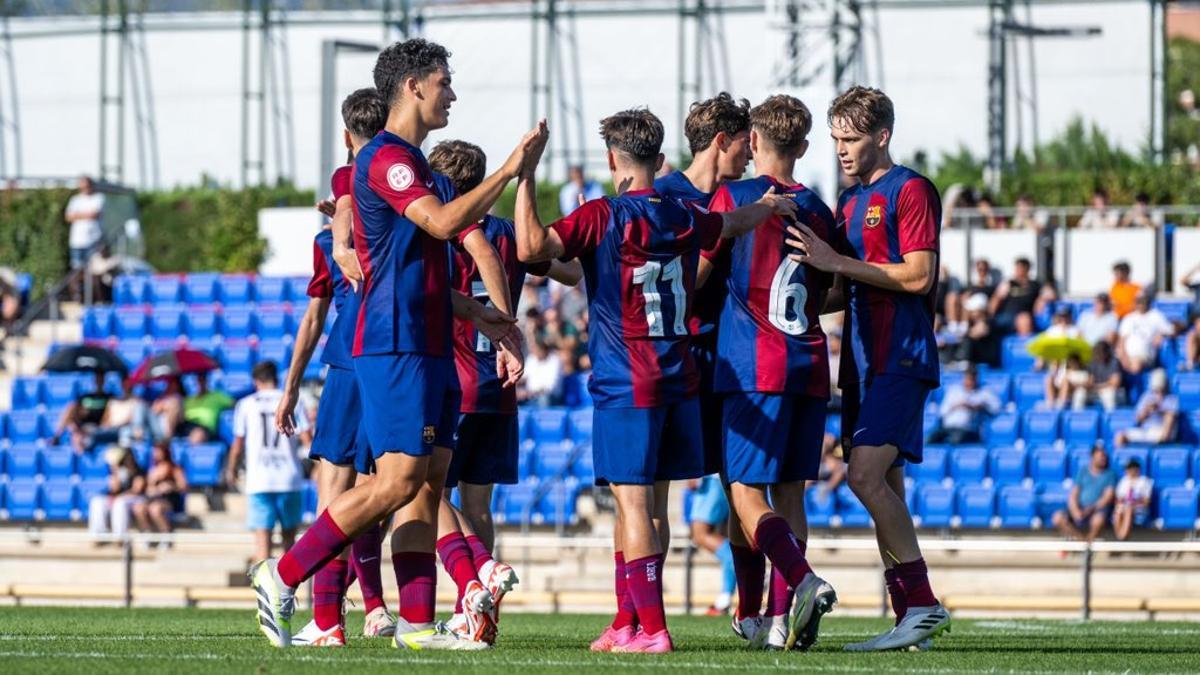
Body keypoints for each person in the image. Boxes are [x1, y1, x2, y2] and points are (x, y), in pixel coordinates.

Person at [250, 38, 534, 651]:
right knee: (397, 481)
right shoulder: (387, 160)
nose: (451, 94)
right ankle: (281, 573)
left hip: (430, 341)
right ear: (412, 87)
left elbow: (425, 271)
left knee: (429, 486)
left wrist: (487, 319)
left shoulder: (422, 167)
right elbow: (443, 224)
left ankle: (413, 624)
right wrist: (509, 172)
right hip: (394, 344)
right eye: (444, 82)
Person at [514, 108, 797, 653]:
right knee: (648, 508)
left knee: (633, 507)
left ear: (612, 160)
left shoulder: (603, 214)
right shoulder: (679, 213)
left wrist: (526, 175)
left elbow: (531, 248)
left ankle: (653, 629)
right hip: (677, 379)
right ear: (659, 158)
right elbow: (728, 225)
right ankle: (628, 621)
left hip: (627, 381)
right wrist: (765, 207)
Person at [784, 85, 949, 651]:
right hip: (858, 362)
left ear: (882, 135)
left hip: (899, 357)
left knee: (863, 477)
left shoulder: (912, 190)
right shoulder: (849, 203)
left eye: (851, 139)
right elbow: (840, 285)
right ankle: (912, 620)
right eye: (834, 140)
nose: (841, 150)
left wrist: (836, 262)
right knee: (887, 485)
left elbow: (918, 276)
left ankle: (923, 604)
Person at [430, 138, 584, 645]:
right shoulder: (510, 236)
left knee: (424, 493)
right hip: (500, 385)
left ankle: (477, 576)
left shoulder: (442, 232)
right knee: (478, 505)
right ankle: (473, 614)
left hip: (453, 379)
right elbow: (570, 271)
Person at [704, 94, 839, 651]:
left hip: (752, 365)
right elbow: (830, 289)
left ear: (753, 141)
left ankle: (803, 581)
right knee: (790, 494)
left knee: (743, 492)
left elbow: (698, 271)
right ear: (804, 147)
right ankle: (778, 620)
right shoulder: (820, 209)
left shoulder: (734, 196)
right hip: (808, 363)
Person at [273, 87, 397, 648]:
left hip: (352, 354)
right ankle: (375, 607)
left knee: (337, 493)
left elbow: (312, 319)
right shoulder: (408, 179)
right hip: (401, 355)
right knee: (382, 489)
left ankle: (327, 620)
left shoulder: (348, 188)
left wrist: (291, 388)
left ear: (347, 137)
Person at [655, 92, 752, 489]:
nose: (751, 154)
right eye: (746, 142)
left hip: (733, 357)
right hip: (680, 353)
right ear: (722, 140)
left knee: (742, 485)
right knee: (650, 491)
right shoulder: (662, 197)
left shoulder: (748, 198)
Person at [227, 362, 311, 564]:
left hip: (259, 479)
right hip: (289, 477)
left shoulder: (246, 404)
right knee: (290, 544)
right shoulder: (293, 401)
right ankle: (288, 592)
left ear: (256, 381)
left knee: (262, 547)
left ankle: (266, 593)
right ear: (276, 378)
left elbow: (238, 444)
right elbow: (308, 440)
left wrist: (231, 469)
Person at [686, 475, 736, 616]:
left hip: (712, 479)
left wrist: (696, 472)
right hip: (719, 477)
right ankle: (726, 597)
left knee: (700, 533)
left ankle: (726, 596)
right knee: (728, 534)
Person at [1052, 445, 1115, 543]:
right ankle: (1082, 542)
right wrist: (1075, 510)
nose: (1103, 458)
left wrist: (1090, 509)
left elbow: (1107, 497)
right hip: (1080, 507)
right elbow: (1074, 494)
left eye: (1104, 456)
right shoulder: (1083, 471)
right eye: (1100, 456)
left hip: (1096, 510)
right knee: (1057, 518)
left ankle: (1089, 542)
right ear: (1092, 457)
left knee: (1098, 520)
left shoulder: (1110, 474)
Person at [131, 441, 187, 547]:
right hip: (153, 498)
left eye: (158, 451)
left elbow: (183, 486)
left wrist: (170, 486)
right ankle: (147, 534)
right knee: (138, 508)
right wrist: (151, 486)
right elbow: (146, 487)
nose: (156, 454)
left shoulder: (174, 468)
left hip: (168, 499)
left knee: (155, 509)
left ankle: (166, 535)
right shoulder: (151, 469)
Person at [87, 445, 145, 541]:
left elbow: (137, 490)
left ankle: (120, 536)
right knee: (96, 501)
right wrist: (115, 469)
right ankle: (99, 534)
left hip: (134, 499)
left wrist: (119, 496)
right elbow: (114, 488)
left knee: (120, 503)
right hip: (118, 497)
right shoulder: (118, 471)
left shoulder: (139, 471)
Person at [932, 366, 1000, 443]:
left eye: (973, 379)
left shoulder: (984, 393)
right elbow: (941, 412)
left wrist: (980, 407)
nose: (970, 382)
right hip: (948, 427)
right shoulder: (954, 391)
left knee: (956, 440)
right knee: (930, 439)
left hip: (968, 429)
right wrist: (956, 406)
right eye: (968, 378)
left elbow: (996, 409)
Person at [1115, 369, 1179, 447]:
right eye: (1156, 390)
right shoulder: (1146, 397)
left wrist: (1160, 411)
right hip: (1146, 431)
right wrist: (1147, 411)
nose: (1159, 393)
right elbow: (1137, 419)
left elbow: (1170, 419)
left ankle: (1158, 451)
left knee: (1168, 420)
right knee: (1120, 436)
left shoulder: (1171, 399)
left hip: (1161, 431)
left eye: (1161, 389)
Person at [52, 371, 111, 453]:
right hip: (82, 427)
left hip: (98, 427)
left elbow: (109, 416)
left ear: (104, 380)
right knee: (71, 408)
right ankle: (57, 436)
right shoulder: (85, 397)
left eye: (101, 378)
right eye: (97, 378)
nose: (99, 381)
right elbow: (75, 411)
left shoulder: (109, 397)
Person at [1117, 291, 1173, 376]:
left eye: (1143, 301)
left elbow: (1171, 330)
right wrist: (1123, 357)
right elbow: (1122, 341)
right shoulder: (1128, 318)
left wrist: (1162, 335)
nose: (1141, 304)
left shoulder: (1156, 316)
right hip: (1127, 355)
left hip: (1145, 354)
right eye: (1139, 302)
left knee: (1136, 365)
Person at [989, 257, 1046, 335]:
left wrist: (1040, 302)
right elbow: (996, 299)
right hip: (1008, 315)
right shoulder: (1008, 283)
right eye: (1017, 268)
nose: (1017, 271)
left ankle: (1022, 345)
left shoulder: (1035, 285)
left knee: (1024, 319)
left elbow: (1045, 296)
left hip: (1026, 314)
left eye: (1020, 268)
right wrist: (990, 315)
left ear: (1027, 269)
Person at [65, 176, 105, 269]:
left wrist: (77, 215)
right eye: (82, 187)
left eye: (86, 186)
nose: (84, 189)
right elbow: (68, 217)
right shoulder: (75, 199)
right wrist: (86, 214)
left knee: (94, 270)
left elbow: (94, 214)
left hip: (93, 241)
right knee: (76, 269)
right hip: (76, 241)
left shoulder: (98, 198)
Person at [181, 373, 233, 443]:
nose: (201, 382)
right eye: (199, 380)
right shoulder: (188, 400)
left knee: (198, 434)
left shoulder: (217, 396)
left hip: (205, 428)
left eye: (203, 379)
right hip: (187, 426)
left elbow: (235, 404)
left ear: (207, 381)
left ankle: (192, 452)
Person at [1112, 458, 1153, 541]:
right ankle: (1120, 536)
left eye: (1130, 469)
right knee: (1118, 511)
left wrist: (1134, 503)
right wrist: (1123, 502)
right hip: (1125, 506)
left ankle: (1121, 538)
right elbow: (1119, 499)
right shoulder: (1124, 481)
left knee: (1128, 509)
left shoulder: (1144, 481)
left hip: (1139, 508)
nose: (1128, 471)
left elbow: (1146, 501)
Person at [958, 293, 1000, 368]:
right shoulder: (973, 323)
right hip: (977, 357)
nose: (971, 313)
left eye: (973, 311)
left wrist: (964, 334)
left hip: (987, 358)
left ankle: (964, 361)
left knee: (968, 339)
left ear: (981, 310)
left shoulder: (989, 322)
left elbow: (978, 332)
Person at [518, 338, 563, 407]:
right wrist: (515, 386)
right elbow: (524, 377)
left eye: (537, 350)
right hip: (530, 395)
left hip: (550, 397)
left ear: (544, 350)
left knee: (544, 399)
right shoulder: (532, 358)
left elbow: (550, 387)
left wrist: (532, 393)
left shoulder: (555, 360)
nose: (535, 352)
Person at [1082, 341, 1123, 411]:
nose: (1098, 355)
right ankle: (1079, 419)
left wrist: (1098, 386)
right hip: (1097, 391)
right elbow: (1090, 381)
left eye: (1100, 352)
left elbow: (1115, 384)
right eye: (1097, 352)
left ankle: (1111, 419)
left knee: (1109, 394)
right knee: (1080, 393)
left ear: (1106, 352)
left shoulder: (1114, 362)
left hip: (1116, 392)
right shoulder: (1093, 362)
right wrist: (1086, 385)